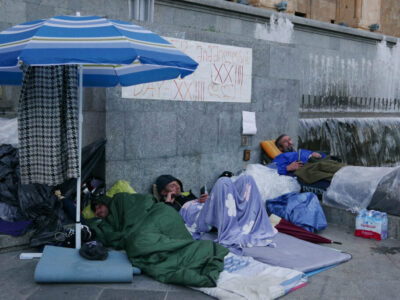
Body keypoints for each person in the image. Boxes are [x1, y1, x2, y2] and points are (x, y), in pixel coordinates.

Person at [88, 192, 228, 287]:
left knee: (138, 242)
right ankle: (201, 254)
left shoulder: (120, 199)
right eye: (95, 211)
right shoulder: (108, 221)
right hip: (145, 228)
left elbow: (144, 203)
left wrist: (129, 232)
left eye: (99, 206)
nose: (98, 211)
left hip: (159, 214)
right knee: (139, 243)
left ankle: (203, 252)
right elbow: (110, 236)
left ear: (105, 201)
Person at [155, 174, 277, 254]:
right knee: (223, 181)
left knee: (247, 179)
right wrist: (168, 203)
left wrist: (208, 199)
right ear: (163, 191)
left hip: (206, 212)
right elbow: (168, 219)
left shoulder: (188, 195)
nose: (176, 187)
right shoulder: (166, 203)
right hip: (198, 219)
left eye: (177, 184)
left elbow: (201, 205)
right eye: (172, 186)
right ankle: (230, 233)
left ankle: (249, 223)